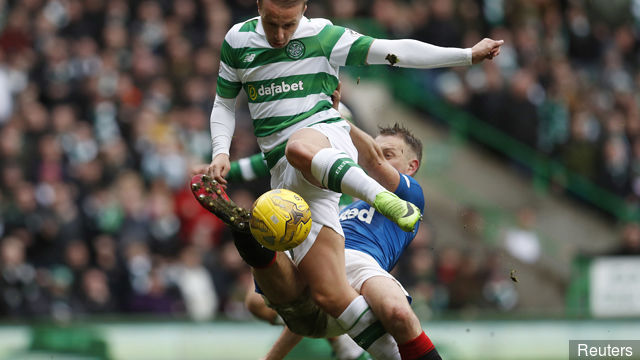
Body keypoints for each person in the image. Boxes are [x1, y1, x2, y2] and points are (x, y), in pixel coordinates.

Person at [207, 0, 502, 357]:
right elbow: (224, 103)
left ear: (304, 7)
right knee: (327, 296)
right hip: (291, 182)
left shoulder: (323, 36)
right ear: (258, 6)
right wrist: (221, 153)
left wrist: (466, 56)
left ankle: (382, 199)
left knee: (297, 148)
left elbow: (393, 51)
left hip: (325, 137)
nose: (281, 35)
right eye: (272, 24)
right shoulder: (237, 41)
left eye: (289, 24)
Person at [193, 119, 437, 359]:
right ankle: (247, 232)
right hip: (322, 269)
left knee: (398, 313)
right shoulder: (344, 197)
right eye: (377, 152)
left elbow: (373, 161)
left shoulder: (409, 193)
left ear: (411, 166)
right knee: (257, 296)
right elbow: (270, 160)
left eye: (389, 154)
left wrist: (333, 116)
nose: (376, 160)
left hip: (363, 265)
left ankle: (343, 342)